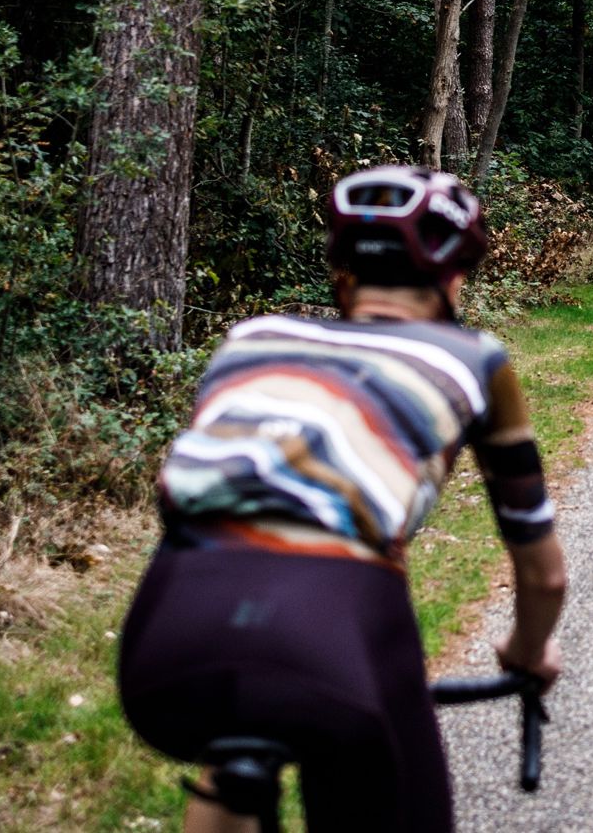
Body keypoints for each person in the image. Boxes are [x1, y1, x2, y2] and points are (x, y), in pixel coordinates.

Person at [118, 166, 568, 833]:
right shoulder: (474, 358)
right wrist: (527, 652)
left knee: (233, 748)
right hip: (328, 633)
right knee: (367, 758)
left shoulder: (252, 339)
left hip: (167, 645)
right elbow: (544, 570)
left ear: (341, 272)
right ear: (454, 280)